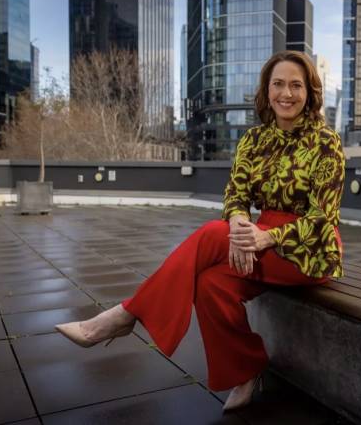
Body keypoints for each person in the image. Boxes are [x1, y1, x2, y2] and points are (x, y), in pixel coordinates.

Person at [55, 50, 345, 412]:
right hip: (257, 242)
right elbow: (236, 194)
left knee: (211, 234)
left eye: (296, 85)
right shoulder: (254, 141)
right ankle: (246, 370)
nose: (286, 93)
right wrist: (240, 223)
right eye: (278, 84)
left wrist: (266, 237)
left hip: (309, 252)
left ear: (310, 92)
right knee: (211, 285)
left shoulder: (325, 142)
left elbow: (323, 218)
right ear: (267, 90)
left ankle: (124, 315)